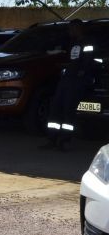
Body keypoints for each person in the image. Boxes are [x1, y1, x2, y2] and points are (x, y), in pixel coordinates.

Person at [41, 19, 98, 151]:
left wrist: (81, 73)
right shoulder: (72, 42)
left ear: (79, 28)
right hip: (66, 79)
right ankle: (52, 138)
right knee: (55, 108)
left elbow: (88, 61)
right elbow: (72, 60)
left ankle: (64, 140)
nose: (70, 31)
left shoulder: (88, 42)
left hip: (77, 81)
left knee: (68, 111)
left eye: (72, 28)